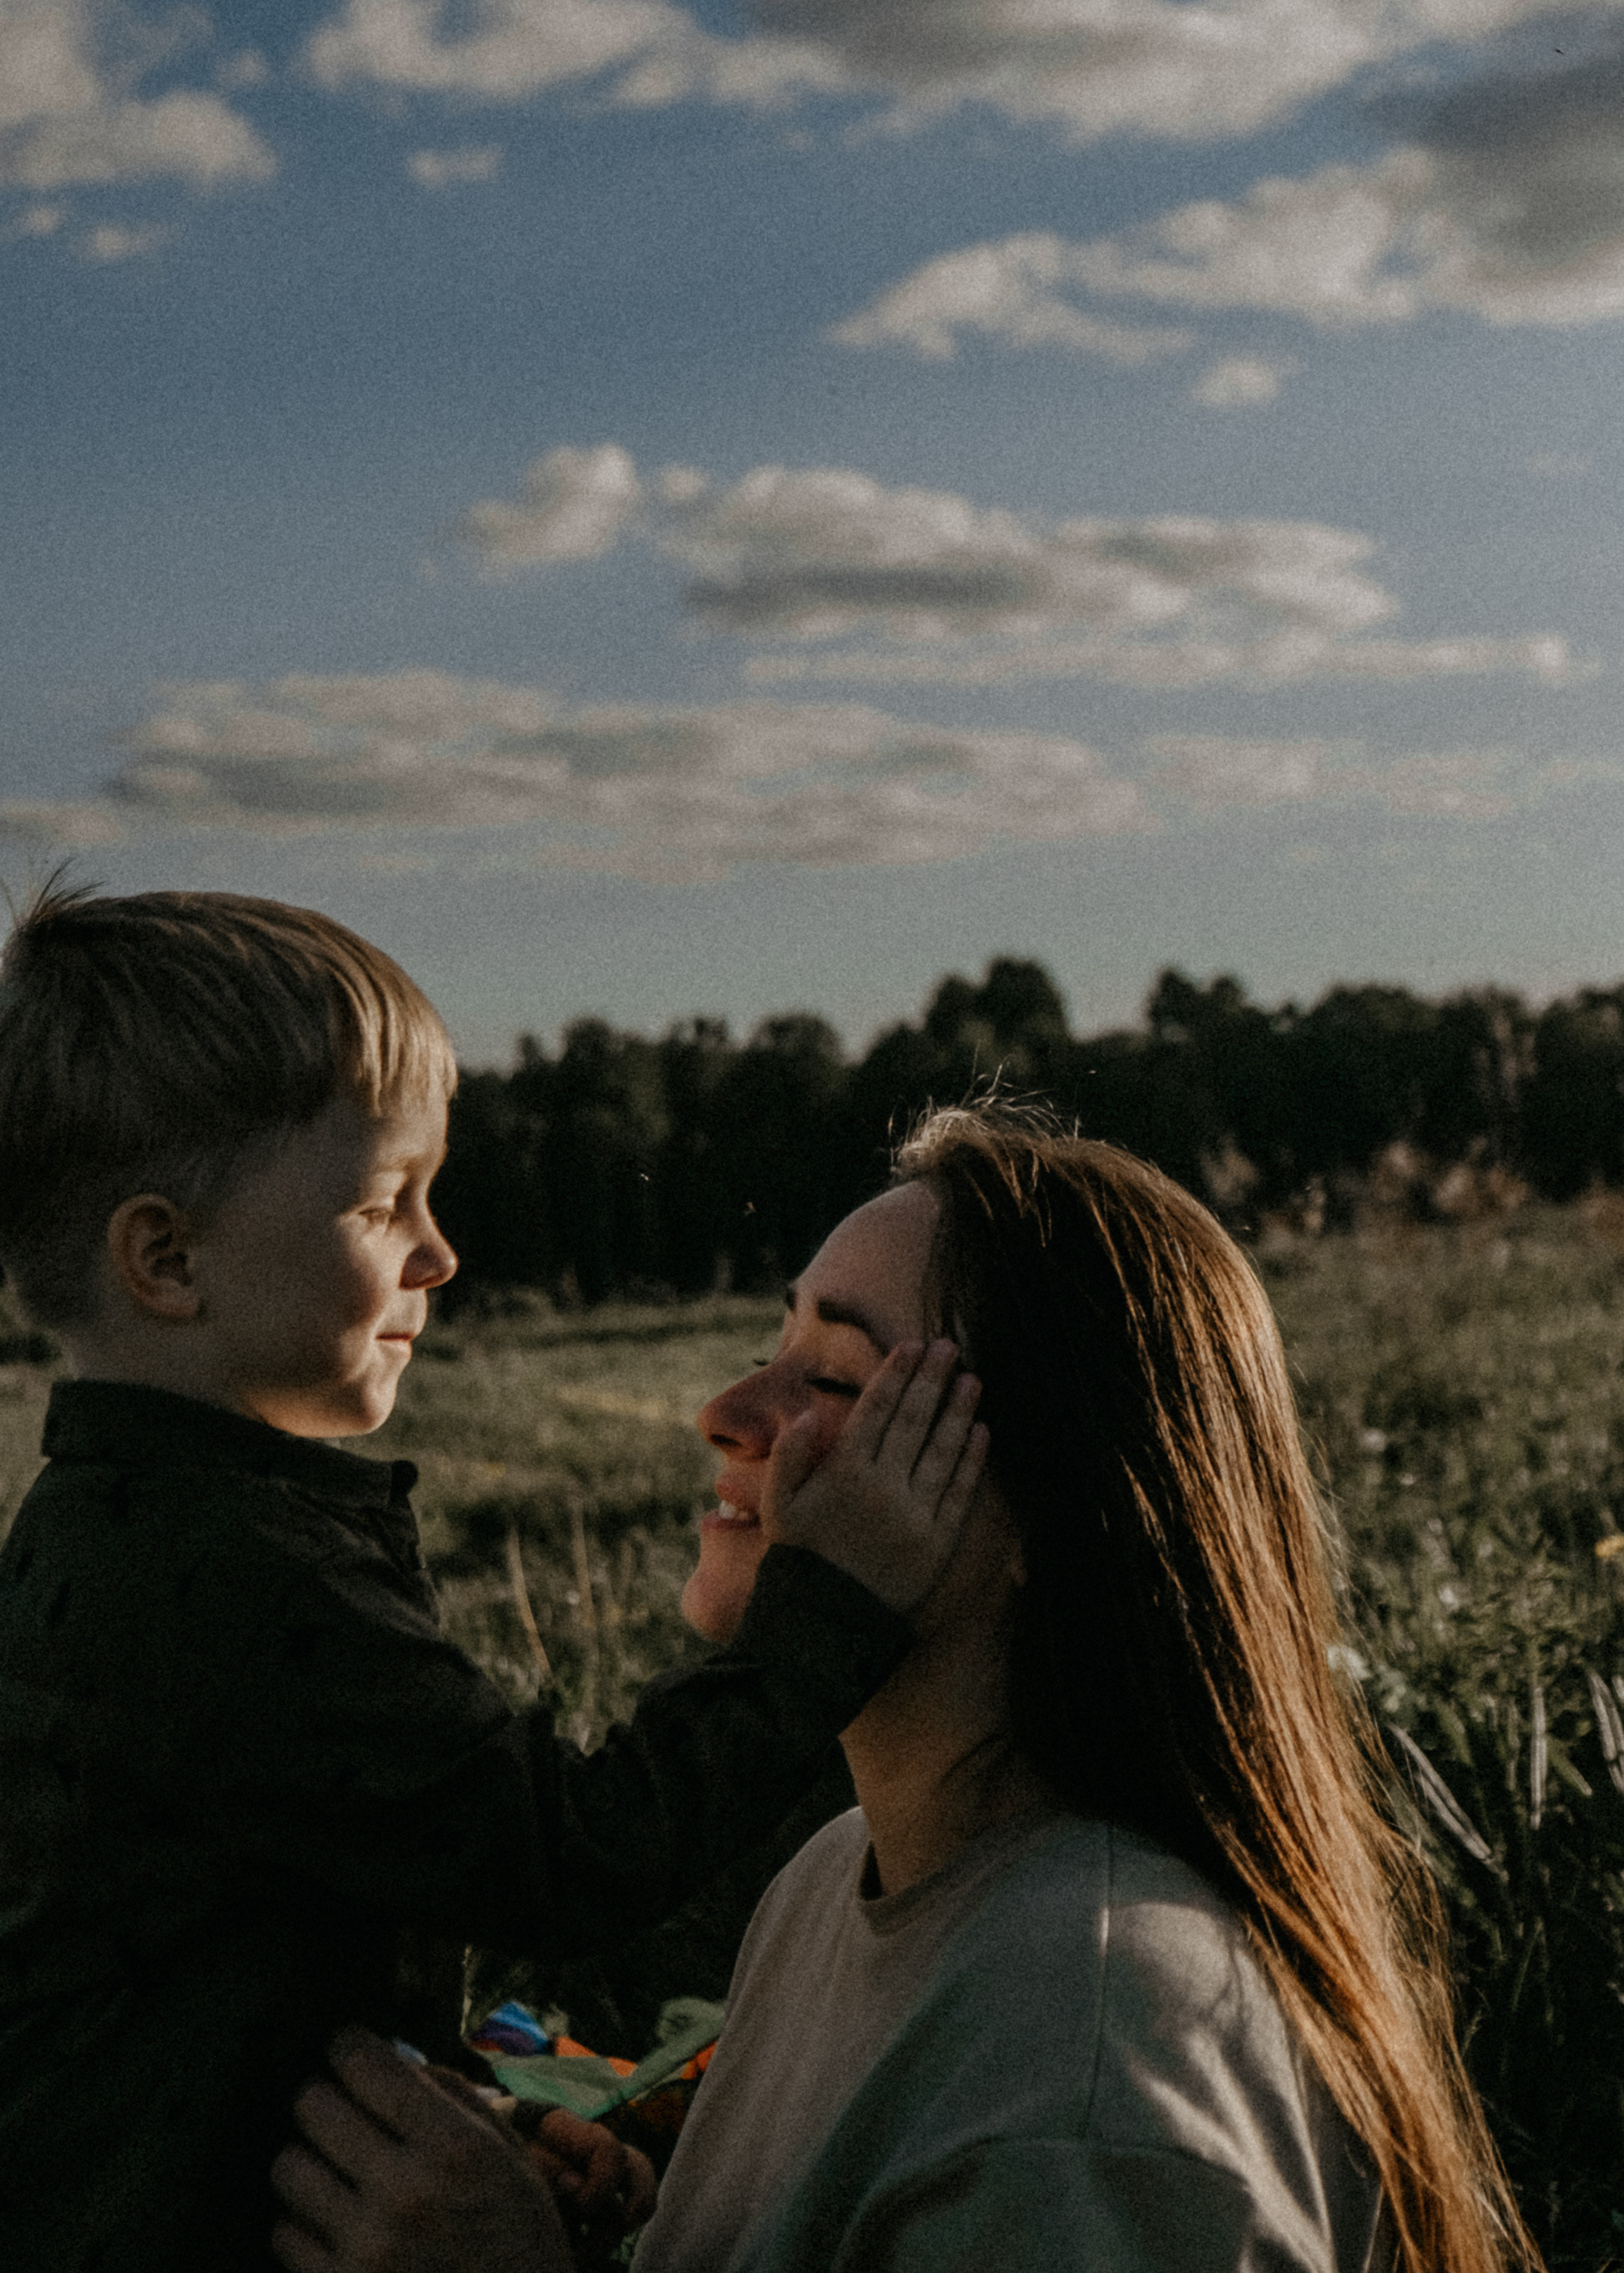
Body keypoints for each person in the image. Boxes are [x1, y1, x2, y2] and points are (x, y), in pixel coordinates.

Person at [272, 1106, 1539, 2273]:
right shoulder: (837, 1880)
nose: (724, 1410)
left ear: (1059, 1506)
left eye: (833, 1380)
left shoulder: (1092, 2067)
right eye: (771, 1347)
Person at [0, 884, 986, 2273]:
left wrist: (467, 2115)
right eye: (383, 1201)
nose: (440, 1253)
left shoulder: (114, 1530)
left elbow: (243, 1954)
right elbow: (567, 1859)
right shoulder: (224, 1577)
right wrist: (828, 1607)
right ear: (168, 1258)